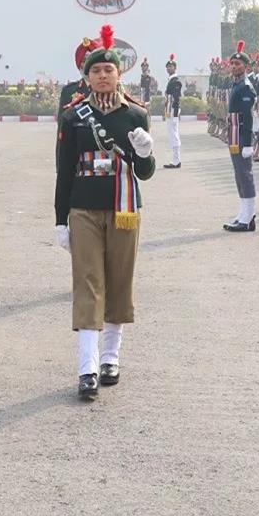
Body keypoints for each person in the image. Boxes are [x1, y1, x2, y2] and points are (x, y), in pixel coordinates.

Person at [55, 25, 155, 400]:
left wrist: (145, 153)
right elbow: (64, 171)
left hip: (124, 209)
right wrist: (59, 218)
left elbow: (144, 174)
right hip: (84, 208)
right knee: (88, 283)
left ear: (119, 73)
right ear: (86, 76)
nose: (102, 75)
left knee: (118, 280)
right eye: (95, 70)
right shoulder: (74, 116)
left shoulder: (136, 115)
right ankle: (87, 366)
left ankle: (111, 356)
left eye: (108, 69)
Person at [224, 41, 257, 232]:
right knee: (239, 175)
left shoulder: (245, 87)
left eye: (238, 64)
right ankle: (243, 213)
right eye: (233, 64)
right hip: (234, 135)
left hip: (241, 137)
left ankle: (249, 216)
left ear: (246, 66)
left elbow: (247, 117)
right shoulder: (236, 84)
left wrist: (247, 143)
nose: (235, 67)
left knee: (245, 175)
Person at [163, 53, 183, 169]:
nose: (169, 69)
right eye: (167, 67)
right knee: (172, 134)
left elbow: (176, 98)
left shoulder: (176, 81)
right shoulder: (170, 80)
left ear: (175, 68)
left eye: (171, 67)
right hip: (170, 110)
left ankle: (176, 160)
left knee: (174, 134)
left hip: (173, 110)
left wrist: (175, 114)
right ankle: (175, 159)